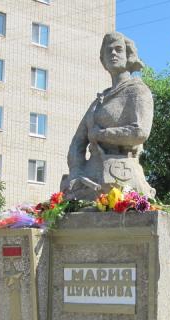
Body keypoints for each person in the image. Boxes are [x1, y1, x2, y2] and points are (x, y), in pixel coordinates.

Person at [62, 31, 154, 199]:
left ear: (129, 56)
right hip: (89, 178)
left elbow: (140, 132)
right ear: (102, 59)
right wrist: (76, 171)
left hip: (123, 175)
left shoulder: (137, 91)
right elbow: (78, 141)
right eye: (108, 50)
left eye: (118, 49)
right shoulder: (98, 102)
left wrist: (101, 134)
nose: (113, 53)